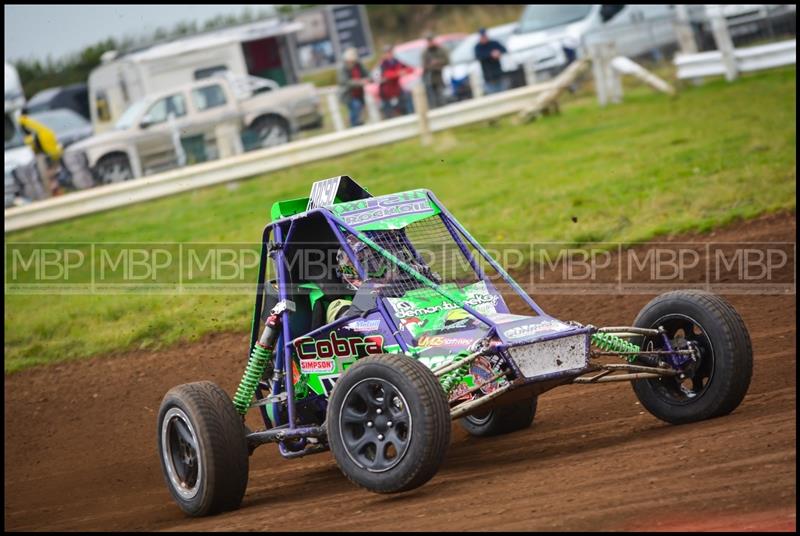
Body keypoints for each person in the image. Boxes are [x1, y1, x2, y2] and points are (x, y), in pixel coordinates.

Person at [18, 108, 64, 197]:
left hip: (44, 156)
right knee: (51, 178)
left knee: (49, 178)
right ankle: (55, 193)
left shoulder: (24, 123)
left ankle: (55, 194)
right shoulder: (34, 125)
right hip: (48, 154)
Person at [378, 45, 414, 119]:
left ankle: (410, 117)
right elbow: (386, 75)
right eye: (387, 53)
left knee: (406, 102)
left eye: (390, 52)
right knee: (389, 113)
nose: (389, 54)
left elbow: (410, 68)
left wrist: (404, 71)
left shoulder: (396, 61)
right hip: (386, 91)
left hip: (396, 89)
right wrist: (398, 73)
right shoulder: (383, 64)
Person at [337, 47, 369, 127]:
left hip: (359, 94)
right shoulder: (343, 68)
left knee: (360, 108)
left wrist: (368, 79)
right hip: (348, 94)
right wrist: (359, 82)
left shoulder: (358, 65)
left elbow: (367, 74)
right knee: (356, 106)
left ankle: (357, 124)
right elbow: (345, 82)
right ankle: (354, 125)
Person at [474, 28, 508, 95]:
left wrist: (498, 52)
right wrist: (491, 54)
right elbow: (478, 56)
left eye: (484, 36)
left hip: (499, 74)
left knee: (504, 94)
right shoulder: (478, 47)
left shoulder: (494, 43)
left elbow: (504, 50)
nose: (484, 38)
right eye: (482, 36)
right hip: (488, 77)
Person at [421, 32, 450, 109]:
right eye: (428, 41)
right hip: (431, 78)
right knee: (434, 98)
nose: (430, 42)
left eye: (431, 40)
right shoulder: (426, 53)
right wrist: (432, 66)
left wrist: (437, 62)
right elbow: (424, 65)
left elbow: (447, 61)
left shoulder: (441, 50)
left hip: (442, 76)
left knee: (443, 96)